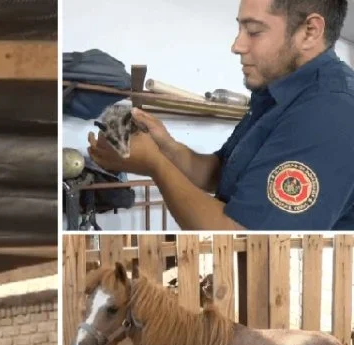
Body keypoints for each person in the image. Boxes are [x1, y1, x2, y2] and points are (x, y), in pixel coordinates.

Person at [87, 0, 354, 231]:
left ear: (309, 32)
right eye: (240, 29)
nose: (237, 45)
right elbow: (217, 173)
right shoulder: (276, 93)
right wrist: (167, 147)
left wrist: (154, 163)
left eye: (254, 31)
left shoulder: (329, 111)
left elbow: (242, 235)